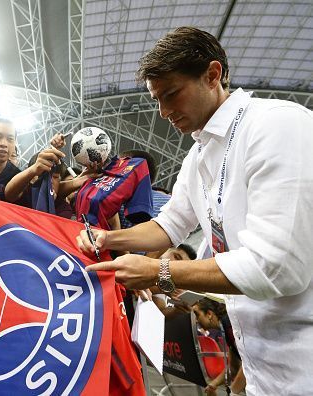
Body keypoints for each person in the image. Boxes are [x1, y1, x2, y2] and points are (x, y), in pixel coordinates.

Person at [77, 27, 313, 395]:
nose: (163, 112)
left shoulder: (276, 125)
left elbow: (277, 267)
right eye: (157, 98)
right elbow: (168, 225)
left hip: (303, 362)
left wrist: (162, 272)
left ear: (212, 75)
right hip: (261, 367)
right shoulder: (198, 154)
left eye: (171, 94)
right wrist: (108, 236)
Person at [193, 299, 246, 396]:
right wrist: (214, 384)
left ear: (209, 314)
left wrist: (233, 392)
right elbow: (233, 368)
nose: (196, 320)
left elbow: (248, 363)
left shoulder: (230, 325)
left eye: (197, 314)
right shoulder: (225, 328)